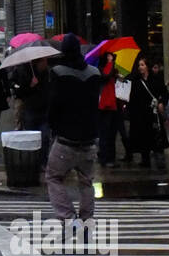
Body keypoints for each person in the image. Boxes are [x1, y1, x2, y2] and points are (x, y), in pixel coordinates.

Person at [46, 34, 103, 232]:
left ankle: (69, 218)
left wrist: (53, 126)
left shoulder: (58, 73)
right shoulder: (95, 73)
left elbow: (53, 105)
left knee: (54, 177)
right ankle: (87, 219)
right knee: (86, 181)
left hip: (66, 138)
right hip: (89, 137)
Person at [128, 55, 169, 171]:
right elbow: (132, 97)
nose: (140, 67)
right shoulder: (136, 81)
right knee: (143, 135)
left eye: (142, 65)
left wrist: (161, 102)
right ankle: (145, 158)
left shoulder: (156, 80)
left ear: (147, 67)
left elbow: (165, 93)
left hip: (154, 113)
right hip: (141, 113)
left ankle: (159, 158)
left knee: (157, 134)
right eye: (139, 65)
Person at [97, 53, 132, 166]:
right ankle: (106, 158)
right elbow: (106, 76)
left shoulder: (112, 68)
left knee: (112, 132)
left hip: (113, 103)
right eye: (109, 55)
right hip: (107, 104)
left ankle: (110, 158)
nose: (110, 57)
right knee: (106, 132)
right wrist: (111, 64)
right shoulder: (104, 68)